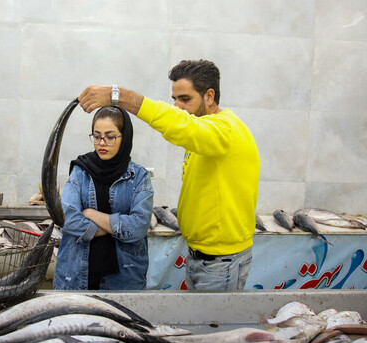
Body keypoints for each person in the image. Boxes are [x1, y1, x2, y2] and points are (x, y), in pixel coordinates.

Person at [78, 59, 260, 291]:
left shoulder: (224, 131)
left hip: (220, 264)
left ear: (210, 96)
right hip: (201, 257)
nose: (177, 106)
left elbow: (179, 125)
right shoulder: (209, 134)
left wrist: (120, 96)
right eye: (174, 99)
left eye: (185, 99)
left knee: (212, 327)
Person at [53, 106, 153, 291]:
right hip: (77, 275)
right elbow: (66, 219)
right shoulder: (80, 171)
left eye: (110, 136)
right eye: (96, 136)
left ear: (125, 137)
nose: (102, 143)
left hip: (124, 279)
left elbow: (138, 227)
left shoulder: (138, 177)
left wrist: (91, 214)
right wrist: (115, 227)